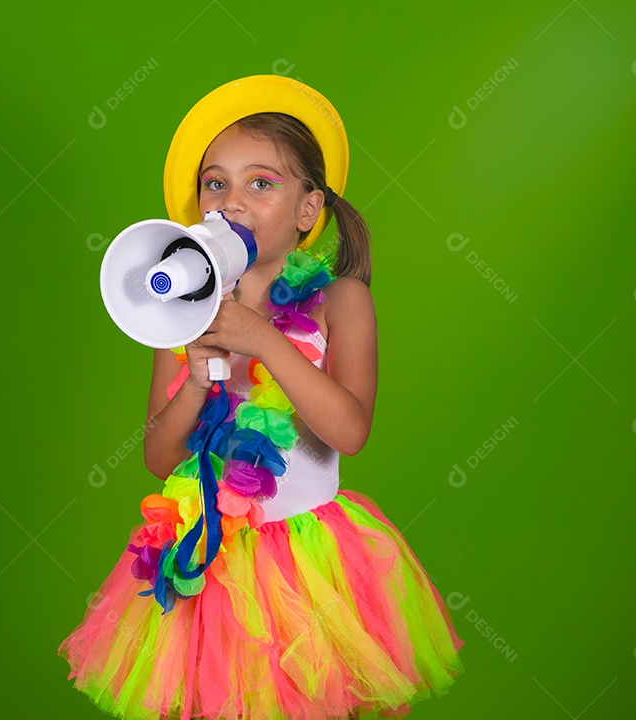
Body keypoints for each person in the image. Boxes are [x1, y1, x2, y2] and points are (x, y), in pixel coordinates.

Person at [59, 74, 464, 720]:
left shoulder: (340, 301)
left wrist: (263, 340)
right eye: (215, 183)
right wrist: (198, 381)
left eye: (262, 183)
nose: (233, 202)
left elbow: (349, 431)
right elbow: (160, 458)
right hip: (208, 564)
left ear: (308, 209)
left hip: (309, 569)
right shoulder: (179, 310)